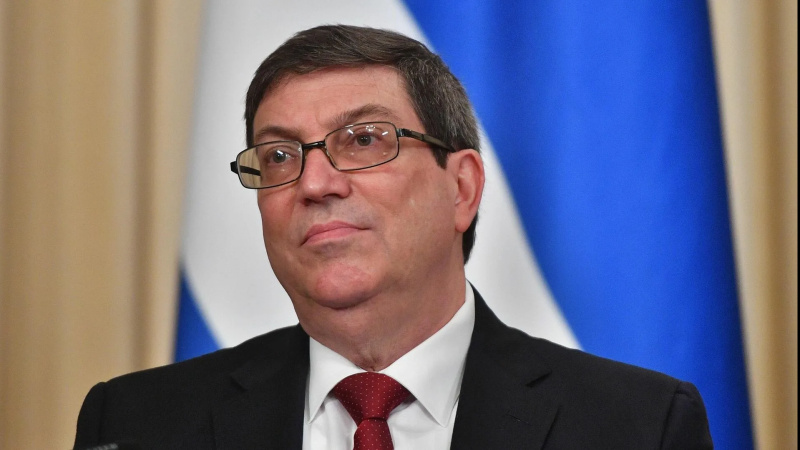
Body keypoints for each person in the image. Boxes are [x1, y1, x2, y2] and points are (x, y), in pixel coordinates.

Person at [74, 25, 713, 449]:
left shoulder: (637, 426)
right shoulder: (137, 423)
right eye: (279, 156)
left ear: (461, 188)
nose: (314, 183)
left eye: (364, 140)